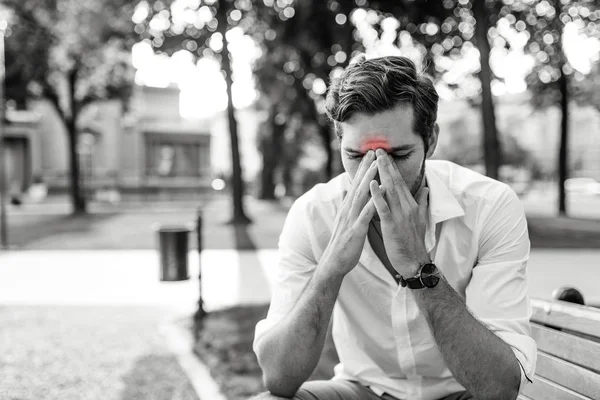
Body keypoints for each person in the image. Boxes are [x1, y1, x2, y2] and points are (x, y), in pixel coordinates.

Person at [251, 55, 536, 400]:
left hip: (463, 393)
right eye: (356, 157)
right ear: (339, 144)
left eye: (398, 156)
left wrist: (419, 268)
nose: (376, 178)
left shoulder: (490, 205)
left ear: (430, 141)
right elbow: (279, 378)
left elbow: (499, 388)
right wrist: (331, 266)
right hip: (363, 390)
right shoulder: (313, 213)